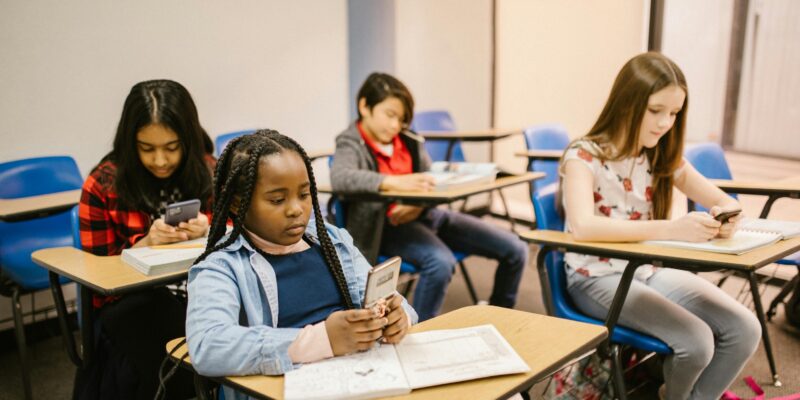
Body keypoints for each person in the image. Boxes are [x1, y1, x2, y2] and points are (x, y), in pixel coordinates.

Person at [559, 52, 761, 399]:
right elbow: (583, 227)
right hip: (594, 275)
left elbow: (723, 200)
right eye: (656, 111)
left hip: (645, 270)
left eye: (674, 113)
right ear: (627, 103)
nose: (665, 122)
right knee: (696, 343)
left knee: (745, 328)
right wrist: (670, 228)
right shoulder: (583, 155)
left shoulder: (660, 155)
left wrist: (728, 215)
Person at [185, 130, 417, 399]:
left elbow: (396, 303)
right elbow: (207, 346)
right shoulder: (221, 267)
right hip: (288, 387)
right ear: (238, 204)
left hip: (361, 377)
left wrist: (399, 319)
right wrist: (321, 341)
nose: (296, 209)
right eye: (277, 200)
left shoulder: (332, 241)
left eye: (304, 195)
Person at [331, 72, 529, 321]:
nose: (395, 125)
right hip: (387, 227)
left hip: (428, 215)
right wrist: (396, 182)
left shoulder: (408, 141)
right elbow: (342, 177)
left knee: (516, 248)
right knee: (440, 263)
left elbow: (432, 181)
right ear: (364, 106)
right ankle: (419, 330)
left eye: (401, 119)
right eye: (389, 115)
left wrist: (419, 205)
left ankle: (501, 314)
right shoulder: (350, 142)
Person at [78, 79, 215, 399]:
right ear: (129, 142)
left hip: (203, 286)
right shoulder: (103, 184)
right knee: (168, 338)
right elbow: (96, 283)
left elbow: (242, 236)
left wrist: (208, 225)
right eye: (146, 148)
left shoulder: (208, 169)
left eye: (171, 147)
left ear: (189, 140)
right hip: (136, 301)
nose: (160, 161)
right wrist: (142, 247)